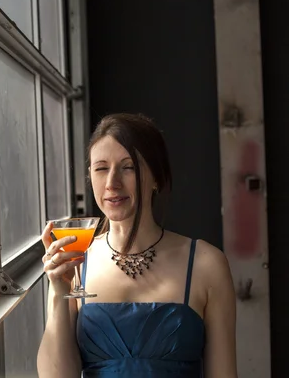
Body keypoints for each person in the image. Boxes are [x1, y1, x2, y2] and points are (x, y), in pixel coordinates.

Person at [37, 113, 237, 377]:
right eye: (101, 168)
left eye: (128, 167)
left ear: (156, 177)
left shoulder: (206, 264)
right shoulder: (76, 261)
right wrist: (57, 291)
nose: (112, 183)